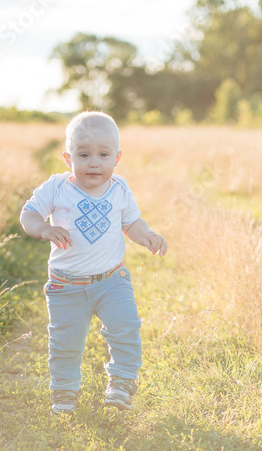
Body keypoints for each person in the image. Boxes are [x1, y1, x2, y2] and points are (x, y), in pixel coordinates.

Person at [19, 110, 168, 415]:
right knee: (65, 343)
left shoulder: (119, 189)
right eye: (84, 155)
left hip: (112, 280)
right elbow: (29, 213)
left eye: (103, 154)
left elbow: (131, 223)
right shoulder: (57, 187)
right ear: (67, 157)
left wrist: (147, 235)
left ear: (117, 157)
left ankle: (122, 383)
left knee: (125, 328)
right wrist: (44, 228)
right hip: (66, 284)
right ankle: (64, 392)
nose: (94, 163)